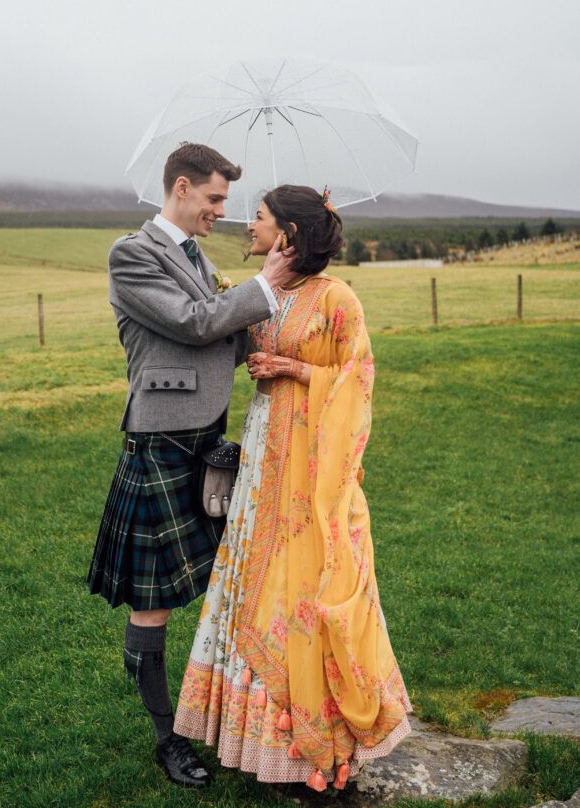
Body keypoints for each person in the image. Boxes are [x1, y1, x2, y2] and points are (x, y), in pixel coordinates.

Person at [174, 184, 412, 791]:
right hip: (261, 458)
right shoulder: (261, 294)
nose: (246, 226)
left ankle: (311, 737)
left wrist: (297, 369)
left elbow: (357, 380)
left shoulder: (338, 299)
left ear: (288, 234)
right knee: (254, 573)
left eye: (257, 218)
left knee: (304, 579)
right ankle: (256, 741)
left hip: (311, 467)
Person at [86, 143, 296, 789]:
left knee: (218, 583)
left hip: (205, 440)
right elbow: (192, 322)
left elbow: (219, 342)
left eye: (225, 203)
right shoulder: (133, 254)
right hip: (158, 444)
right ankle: (165, 736)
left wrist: (294, 326)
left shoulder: (193, 255)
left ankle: (216, 709)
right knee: (156, 604)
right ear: (180, 188)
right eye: (212, 199)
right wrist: (266, 287)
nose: (219, 213)